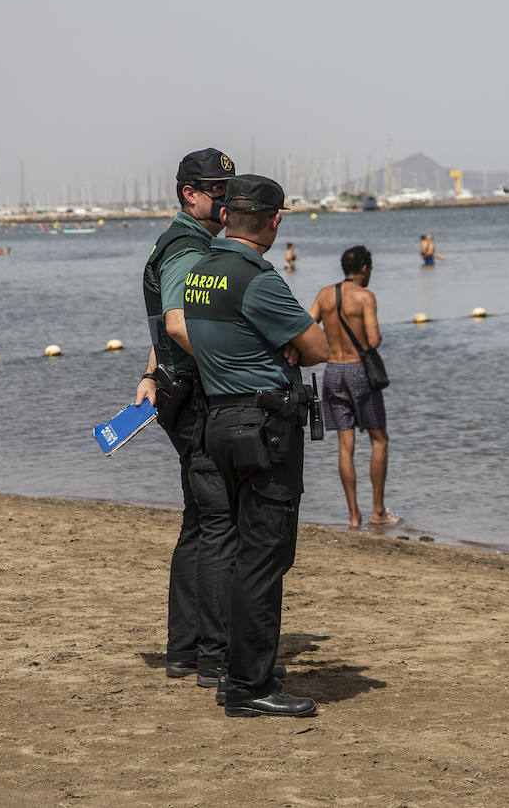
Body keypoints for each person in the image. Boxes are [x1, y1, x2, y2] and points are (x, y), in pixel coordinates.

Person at [182, 173, 328, 718]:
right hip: (263, 429)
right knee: (265, 557)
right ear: (274, 221)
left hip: (219, 421)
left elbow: (198, 336)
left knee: (242, 551)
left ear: (225, 216)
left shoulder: (201, 271)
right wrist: (286, 348)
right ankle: (248, 687)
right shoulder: (258, 279)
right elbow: (317, 347)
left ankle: (234, 670)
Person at [133, 147, 237, 686]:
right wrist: (239, 361)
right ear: (187, 194)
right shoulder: (186, 250)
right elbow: (177, 324)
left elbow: (161, 330)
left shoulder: (185, 242)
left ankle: (184, 650)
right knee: (218, 526)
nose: (225, 202)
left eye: (229, 192)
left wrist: (150, 374)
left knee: (199, 524)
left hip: (177, 390)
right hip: (196, 400)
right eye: (215, 193)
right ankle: (213, 657)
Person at [307, 246, 398, 529]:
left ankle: (353, 516)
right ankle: (378, 511)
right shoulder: (365, 297)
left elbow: (307, 327)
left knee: (345, 445)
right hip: (359, 371)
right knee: (379, 439)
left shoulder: (324, 295)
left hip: (333, 372)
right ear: (365, 269)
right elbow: (372, 340)